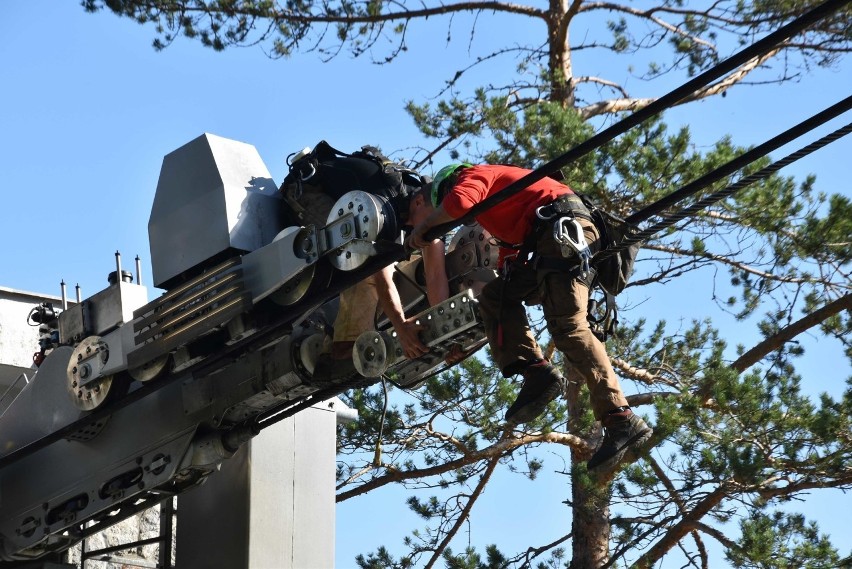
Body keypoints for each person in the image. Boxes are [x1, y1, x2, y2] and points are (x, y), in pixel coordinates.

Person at [406, 163, 652, 472]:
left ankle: (621, 418)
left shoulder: (472, 175)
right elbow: (510, 256)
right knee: (496, 295)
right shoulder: (494, 210)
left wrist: (426, 227)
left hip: (564, 231)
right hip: (547, 239)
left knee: (569, 327)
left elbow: (458, 203)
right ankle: (536, 371)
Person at [281, 143, 448, 382]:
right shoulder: (385, 199)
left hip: (356, 217)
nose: (434, 228)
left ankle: (345, 338)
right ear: (419, 203)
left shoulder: (431, 214)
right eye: (433, 222)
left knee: (398, 264)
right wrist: (400, 326)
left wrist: (446, 332)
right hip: (307, 193)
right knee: (365, 264)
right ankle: (342, 351)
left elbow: (435, 275)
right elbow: (379, 274)